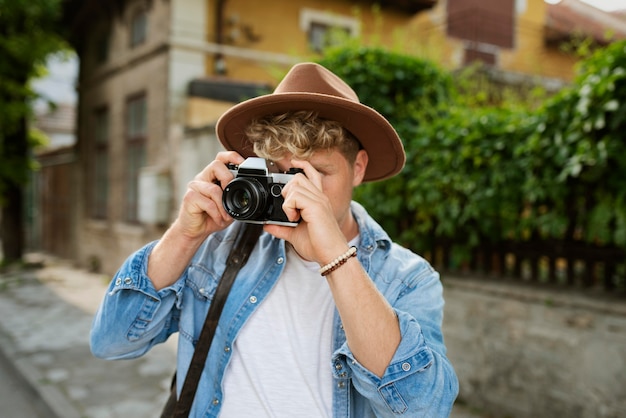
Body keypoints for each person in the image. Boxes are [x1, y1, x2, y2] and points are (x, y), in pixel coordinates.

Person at [90, 62, 459, 417]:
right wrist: (185, 236)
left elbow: (423, 409)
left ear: (358, 168)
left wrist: (334, 254)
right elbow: (112, 342)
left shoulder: (407, 277)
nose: (299, 191)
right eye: (284, 174)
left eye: (317, 172)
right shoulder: (218, 249)